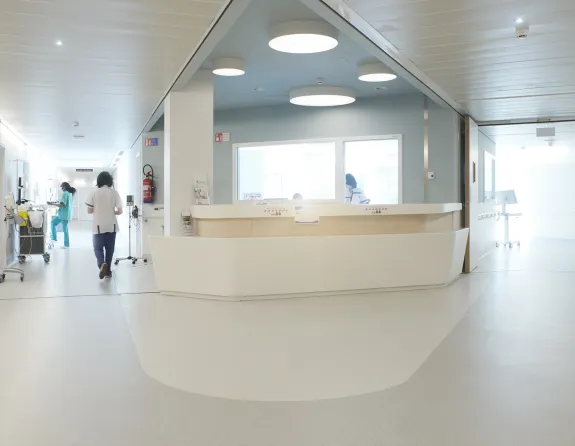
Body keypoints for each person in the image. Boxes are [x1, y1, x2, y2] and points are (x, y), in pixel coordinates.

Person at [86, 171, 123, 279]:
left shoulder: (94, 192)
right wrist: (112, 212)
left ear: (99, 181)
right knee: (110, 249)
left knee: (98, 248)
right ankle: (108, 272)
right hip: (112, 225)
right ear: (110, 181)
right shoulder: (114, 193)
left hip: (98, 225)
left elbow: (89, 210)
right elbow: (120, 211)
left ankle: (101, 264)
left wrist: (97, 209)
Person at [49, 182, 76, 249]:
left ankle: (66, 245)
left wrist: (52, 204)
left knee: (65, 230)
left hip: (64, 215)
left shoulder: (66, 194)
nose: (62, 189)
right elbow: (62, 202)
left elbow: (62, 204)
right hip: (63, 214)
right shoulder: (70, 194)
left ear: (65, 187)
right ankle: (54, 238)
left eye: (62, 187)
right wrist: (55, 202)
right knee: (52, 222)